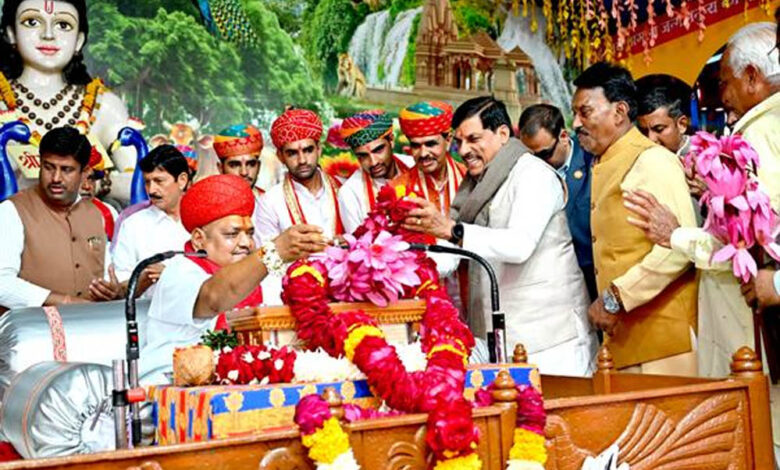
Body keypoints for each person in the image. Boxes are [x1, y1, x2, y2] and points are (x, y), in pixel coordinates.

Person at [624, 22, 780, 377]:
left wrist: (674, 234)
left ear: (751, 76)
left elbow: (750, 242)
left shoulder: (758, 135)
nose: (721, 95)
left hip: (750, 324)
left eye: (723, 82)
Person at [403, 96, 597, 377]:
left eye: (474, 139)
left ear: (503, 134)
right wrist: (398, 264)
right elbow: (452, 256)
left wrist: (452, 231)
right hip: (503, 337)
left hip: (553, 341)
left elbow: (519, 245)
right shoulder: (477, 186)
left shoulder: (532, 175)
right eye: (460, 142)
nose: (464, 150)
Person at [573, 62, 698, 375]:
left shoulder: (652, 160)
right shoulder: (604, 162)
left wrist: (615, 298)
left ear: (619, 112)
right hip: (624, 339)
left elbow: (677, 249)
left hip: (664, 341)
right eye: (574, 113)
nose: (576, 123)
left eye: (585, 112)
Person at [139, 174, 327, 383]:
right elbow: (215, 298)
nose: (246, 243)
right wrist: (274, 251)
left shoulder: (264, 275)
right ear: (199, 239)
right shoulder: (179, 272)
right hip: (168, 388)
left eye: (250, 233)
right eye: (232, 234)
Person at [0, 0, 133, 198]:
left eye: (63, 25)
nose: (48, 34)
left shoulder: (103, 106)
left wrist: (95, 184)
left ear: (79, 40)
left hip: (84, 216)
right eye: (32, 22)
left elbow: (146, 180)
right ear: (11, 33)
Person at [0, 126, 121, 312]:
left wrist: (111, 291)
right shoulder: (12, 211)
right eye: (48, 167)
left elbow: (105, 274)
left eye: (66, 170)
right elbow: (2, 283)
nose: (56, 178)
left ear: (84, 172)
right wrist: (64, 301)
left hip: (90, 325)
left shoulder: (97, 214)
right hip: (33, 328)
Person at [518, 104, 597, 300]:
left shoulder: (593, 162)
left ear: (563, 136)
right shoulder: (526, 172)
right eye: (531, 156)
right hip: (549, 284)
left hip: (592, 279)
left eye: (544, 154)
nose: (538, 163)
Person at [111, 145, 191, 297]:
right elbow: (120, 287)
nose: (152, 190)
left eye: (159, 181)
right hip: (148, 311)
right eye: (147, 182)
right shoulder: (133, 225)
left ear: (182, 180)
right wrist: (143, 279)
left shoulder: (205, 222)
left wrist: (173, 276)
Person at [256, 108, 345, 242]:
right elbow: (267, 251)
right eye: (292, 153)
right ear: (280, 156)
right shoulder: (270, 203)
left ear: (319, 150)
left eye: (308, 150)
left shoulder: (345, 189)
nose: (302, 160)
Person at [338, 110, 413, 233]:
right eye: (363, 156)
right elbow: (358, 242)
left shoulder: (414, 166)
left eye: (378, 150)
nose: (373, 162)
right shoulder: (350, 193)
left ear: (391, 140)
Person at [391, 101, 466, 215]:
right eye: (416, 145)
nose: (423, 154)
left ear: (448, 140)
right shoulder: (397, 189)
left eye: (430, 144)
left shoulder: (470, 180)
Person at [213, 124, 265, 244]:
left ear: (258, 166)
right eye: (235, 165)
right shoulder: (210, 206)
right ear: (220, 168)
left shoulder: (270, 203)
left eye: (251, 164)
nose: (244, 172)